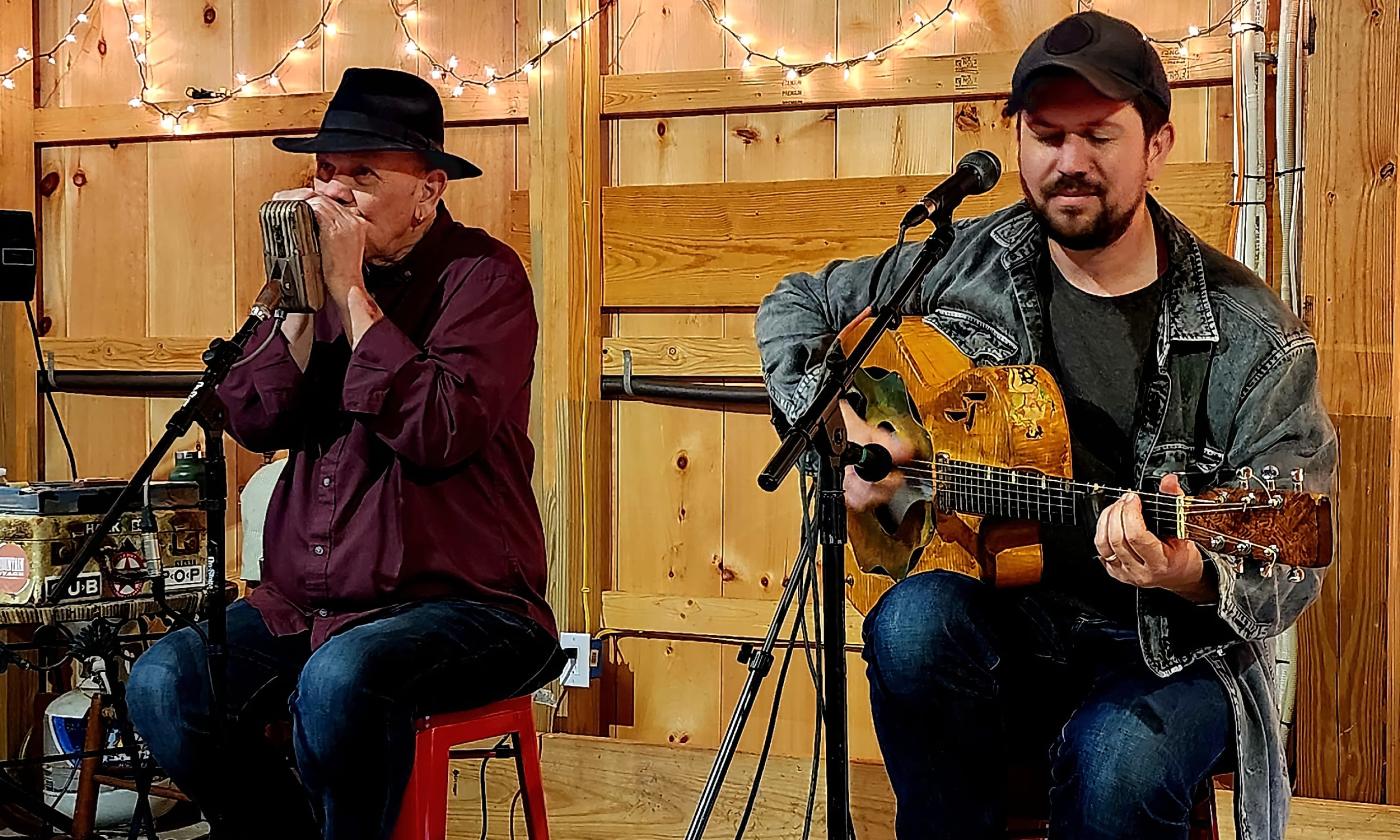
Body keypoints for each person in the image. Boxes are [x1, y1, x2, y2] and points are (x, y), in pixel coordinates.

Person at [754, 12, 1336, 840]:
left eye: (1098, 134)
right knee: (909, 624)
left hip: (1166, 651)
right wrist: (838, 419)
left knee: (1117, 765)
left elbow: (1296, 552)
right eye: (1047, 135)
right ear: (1016, 140)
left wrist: (1186, 570)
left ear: (1158, 144)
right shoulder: (962, 259)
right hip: (1003, 620)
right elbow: (798, 303)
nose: (1070, 163)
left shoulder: (1253, 334)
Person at [126, 67, 560, 840]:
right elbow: (257, 417)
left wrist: (352, 292)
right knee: (165, 682)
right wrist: (298, 300)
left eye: (363, 174)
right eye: (326, 172)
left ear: (429, 191)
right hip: (309, 606)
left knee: (342, 681)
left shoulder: (485, 277)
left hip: (463, 605)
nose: (335, 194)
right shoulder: (312, 286)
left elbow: (437, 428)